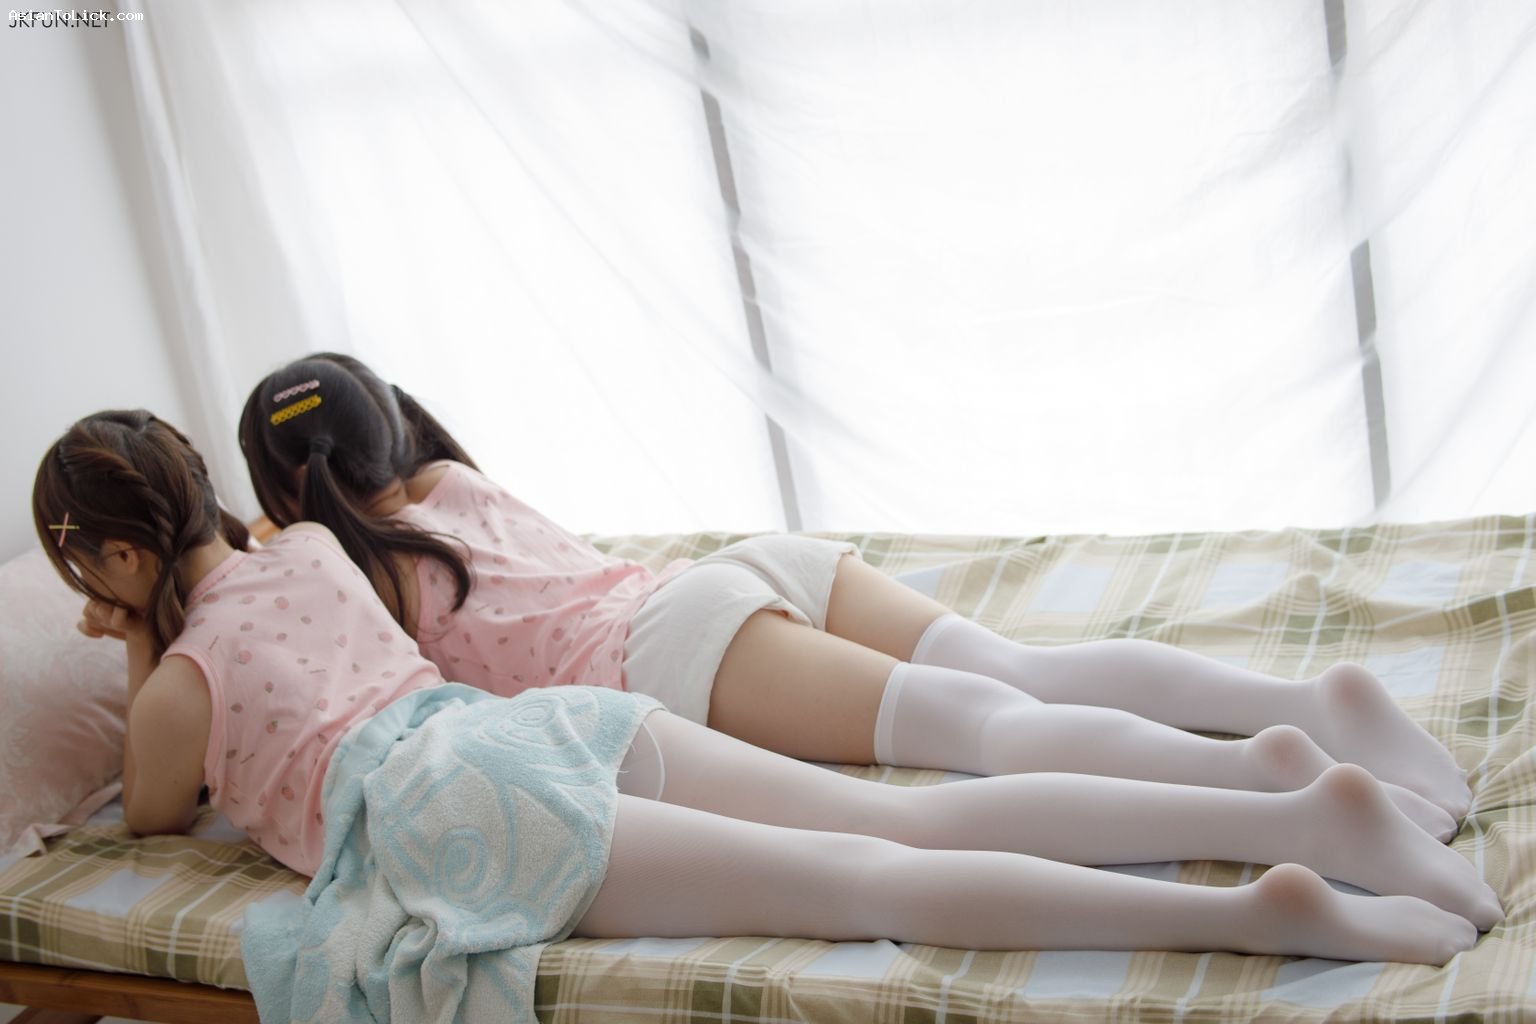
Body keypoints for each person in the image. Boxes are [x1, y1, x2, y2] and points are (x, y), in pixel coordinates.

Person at [33, 409, 1499, 991]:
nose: (86, 601)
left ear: (119, 556)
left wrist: (136, 637)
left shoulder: (181, 681)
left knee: (875, 877)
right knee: (926, 800)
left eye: (82, 573)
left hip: (459, 803)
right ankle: (1281, 806)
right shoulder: (310, 559)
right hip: (544, 727)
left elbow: (155, 812)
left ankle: (1257, 910)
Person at [238, 355, 1469, 835]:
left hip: (673, 650)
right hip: (728, 572)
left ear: (280, 497)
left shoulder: (343, 574)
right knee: (1021, 675)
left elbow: (269, 633)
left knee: (989, 733)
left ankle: (1258, 774)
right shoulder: (453, 480)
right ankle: (1305, 704)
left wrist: (269, 534)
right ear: (391, 422)